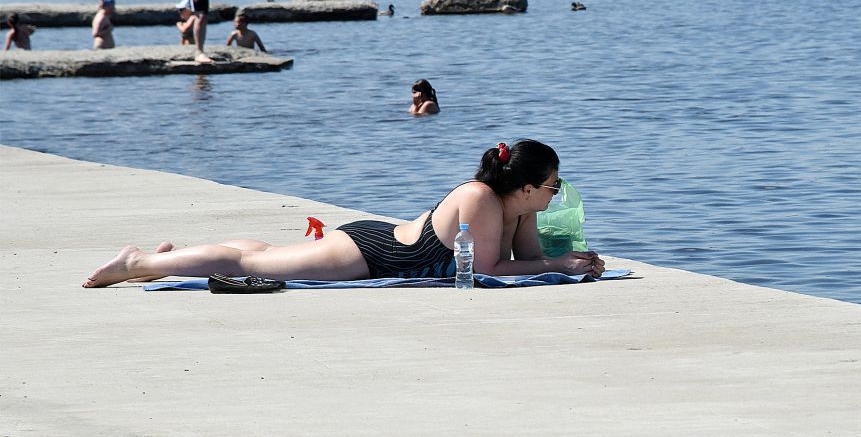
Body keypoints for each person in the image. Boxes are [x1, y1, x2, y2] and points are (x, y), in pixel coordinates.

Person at [82, 139, 605, 288]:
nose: (557, 194)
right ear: (527, 186)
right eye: (553, 186)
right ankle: (138, 262)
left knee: (267, 252)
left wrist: (570, 263)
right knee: (251, 266)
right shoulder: (481, 199)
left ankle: (167, 258)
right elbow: (486, 269)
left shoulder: (521, 208)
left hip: (380, 246)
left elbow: (528, 262)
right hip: (371, 253)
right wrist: (555, 266)